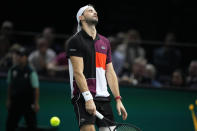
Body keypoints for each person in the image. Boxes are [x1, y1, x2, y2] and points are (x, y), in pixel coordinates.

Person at [66, 4, 127, 131]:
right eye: (90, 11)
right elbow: (78, 73)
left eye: (95, 11)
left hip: (104, 98)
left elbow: (110, 72)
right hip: (83, 96)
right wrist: (88, 99)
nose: (95, 12)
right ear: (81, 18)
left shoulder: (105, 42)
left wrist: (118, 99)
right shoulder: (75, 41)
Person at [6, 47, 39, 131]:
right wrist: (8, 99)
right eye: (17, 55)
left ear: (26, 57)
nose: (18, 57)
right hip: (15, 102)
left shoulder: (31, 71)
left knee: (31, 126)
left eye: (21, 56)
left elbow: (35, 88)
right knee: (10, 125)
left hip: (28, 103)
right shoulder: (12, 70)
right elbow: (10, 85)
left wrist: (35, 103)